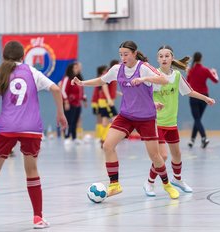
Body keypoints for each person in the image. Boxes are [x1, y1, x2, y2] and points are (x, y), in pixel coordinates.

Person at [0, 41, 67, 230]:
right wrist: (60, 113)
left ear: (4, 57)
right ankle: (38, 219)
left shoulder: (0, 72)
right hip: (31, 128)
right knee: (31, 171)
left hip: (7, 128)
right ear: (23, 57)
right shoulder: (32, 72)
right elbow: (56, 89)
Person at [72, 40, 180, 199]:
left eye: (126, 54)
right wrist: (82, 83)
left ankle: (167, 185)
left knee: (155, 156)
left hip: (146, 118)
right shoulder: (117, 69)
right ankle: (114, 185)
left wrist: (144, 79)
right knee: (108, 146)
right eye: (121, 54)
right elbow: (101, 80)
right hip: (126, 116)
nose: (123, 57)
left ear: (134, 54)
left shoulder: (143, 68)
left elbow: (164, 80)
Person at [143, 45, 215, 197]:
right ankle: (149, 182)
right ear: (157, 59)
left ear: (172, 58)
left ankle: (177, 179)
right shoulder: (154, 75)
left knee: (177, 154)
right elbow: (144, 97)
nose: (164, 58)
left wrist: (205, 98)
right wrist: (154, 104)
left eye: (167, 55)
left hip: (171, 123)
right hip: (157, 122)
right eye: (161, 56)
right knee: (162, 156)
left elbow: (189, 91)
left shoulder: (176, 76)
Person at [186, 52, 219, 149]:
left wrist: (188, 74)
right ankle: (192, 140)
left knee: (197, 119)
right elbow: (216, 80)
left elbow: (187, 83)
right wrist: (214, 72)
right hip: (205, 98)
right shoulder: (206, 70)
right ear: (201, 59)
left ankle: (204, 138)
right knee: (198, 119)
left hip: (194, 97)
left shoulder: (191, 71)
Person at [60, 62, 86, 144]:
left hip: (77, 104)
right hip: (69, 104)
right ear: (71, 69)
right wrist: (66, 101)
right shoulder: (67, 78)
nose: (77, 69)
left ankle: (74, 137)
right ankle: (67, 137)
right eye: (75, 67)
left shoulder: (78, 79)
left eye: (77, 67)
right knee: (68, 121)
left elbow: (81, 90)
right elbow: (63, 90)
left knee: (75, 121)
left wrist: (84, 99)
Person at [98, 59, 119, 147]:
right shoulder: (108, 73)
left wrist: (118, 93)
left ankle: (103, 139)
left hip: (105, 101)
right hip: (106, 101)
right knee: (115, 119)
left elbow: (111, 89)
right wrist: (109, 98)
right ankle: (106, 139)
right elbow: (104, 86)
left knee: (105, 121)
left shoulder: (114, 75)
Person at [91, 66, 108, 143]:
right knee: (99, 120)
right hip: (97, 102)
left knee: (100, 119)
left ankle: (100, 136)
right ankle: (99, 136)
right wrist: (97, 103)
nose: (106, 72)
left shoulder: (102, 79)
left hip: (98, 101)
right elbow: (98, 93)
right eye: (105, 70)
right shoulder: (100, 80)